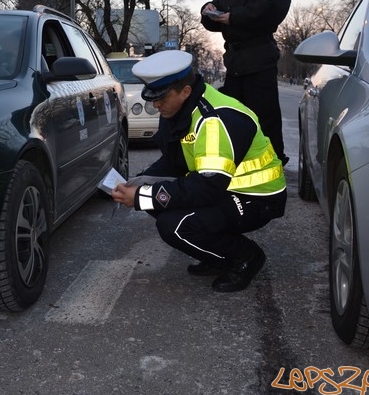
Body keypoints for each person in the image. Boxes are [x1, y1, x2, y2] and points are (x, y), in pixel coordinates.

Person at [111, 50, 286, 292]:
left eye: (161, 97)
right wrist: (141, 182)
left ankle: (246, 257)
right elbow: (175, 162)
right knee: (156, 202)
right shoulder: (178, 110)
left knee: (174, 224)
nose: (155, 104)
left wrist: (142, 197)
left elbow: (206, 188)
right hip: (226, 188)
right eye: (152, 97)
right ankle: (216, 254)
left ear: (185, 92)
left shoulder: (214, 120)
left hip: (256, 197)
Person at [200, 0, 291, 165]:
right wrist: (208, 9)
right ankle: (240, 162)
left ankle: (273, 163)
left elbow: (268, 8)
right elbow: (214, 13)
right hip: (235, 62)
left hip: (259, 58)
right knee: (235, 116)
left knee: (264, 117)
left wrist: (234, 17)